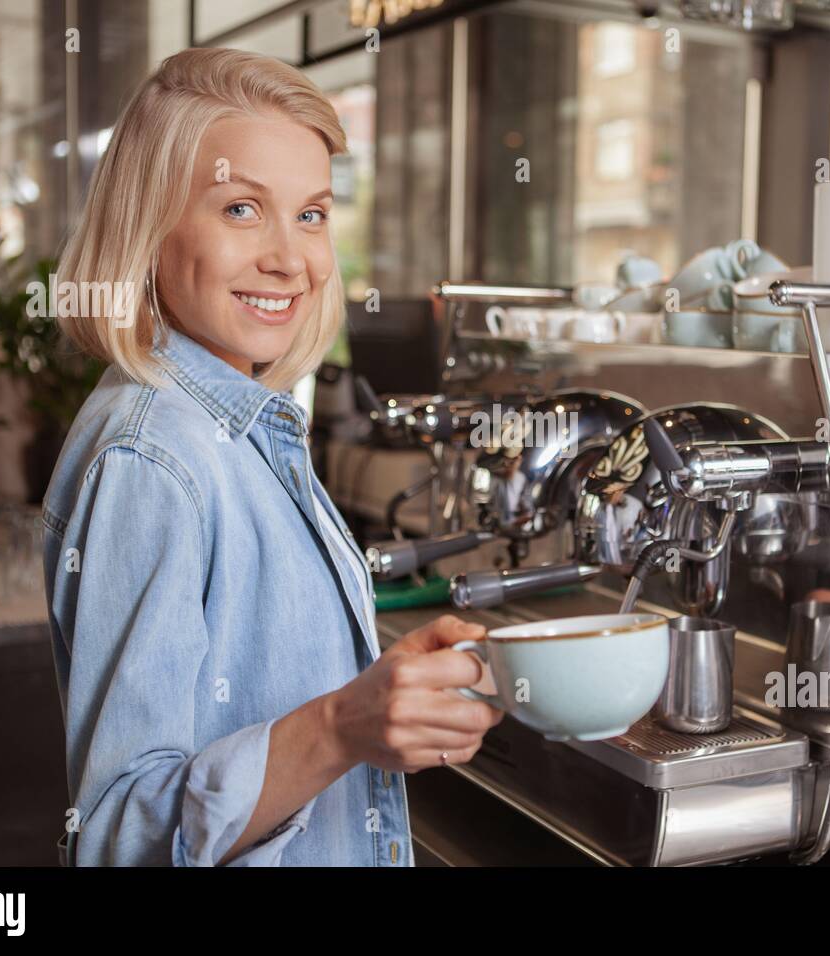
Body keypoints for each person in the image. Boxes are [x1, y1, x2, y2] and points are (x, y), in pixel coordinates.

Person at [40, 47, 501, 867]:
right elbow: (115, 837)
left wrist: (380, 689)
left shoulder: (236, 423)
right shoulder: (156, 457)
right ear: (148, 227)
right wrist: (340, 727)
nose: (290, 260)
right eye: (242, 210)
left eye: (312, 214)